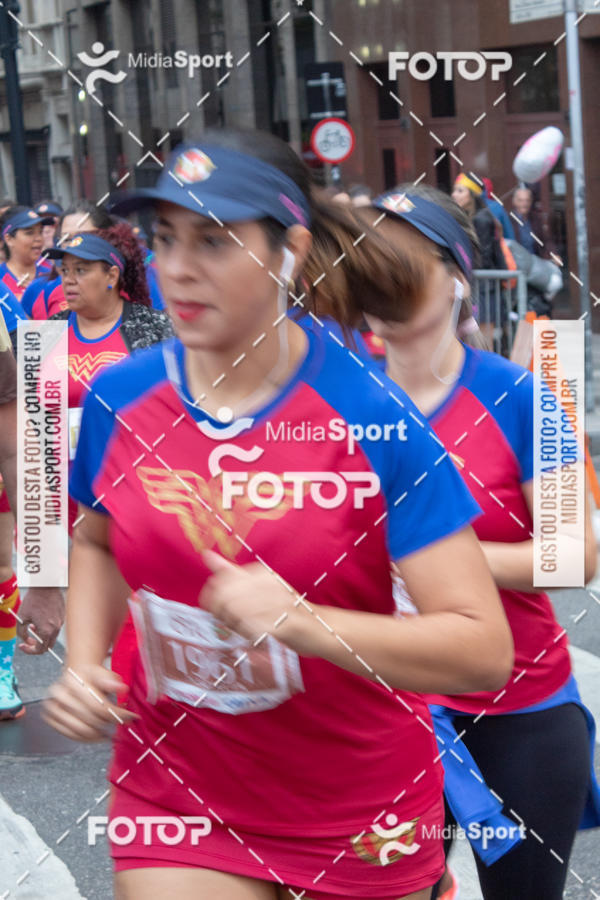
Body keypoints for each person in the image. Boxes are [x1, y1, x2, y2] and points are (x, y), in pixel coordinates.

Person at [43, 131, 513, 900]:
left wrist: (302, 622)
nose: (179, 269)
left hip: (359, 809)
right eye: (164, 239)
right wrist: (85, 660)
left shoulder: (372, 417)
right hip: (179, 799)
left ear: (288, 249)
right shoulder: (122, 398)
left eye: (215, 240)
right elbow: (95, 537)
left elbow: (482, 648)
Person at [360, 183, 599, 900]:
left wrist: (432, 558)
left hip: (518, 711)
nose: (385, 277)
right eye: (371, 262)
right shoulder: (331, 402)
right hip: (379, 712)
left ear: (459, 279)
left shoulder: (523, 396)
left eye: (406, 260)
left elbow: (575, 554)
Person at [21, 201, 115, 321]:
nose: (74, 246)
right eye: (67, 239)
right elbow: (34, 338)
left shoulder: (134, 292)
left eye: (84, 237)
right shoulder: (41, 289)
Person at [0, 206, 55, 301]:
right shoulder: (1, 279)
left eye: (40, 232)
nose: (39, 238)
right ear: (9, 239)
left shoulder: (52, 276)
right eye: (29, 233)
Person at [451, 175, 504, 271]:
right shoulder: (466, 217)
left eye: (460, 191)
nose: (454, 195)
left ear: (472, 194)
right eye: (454, 190)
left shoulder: (482, 219)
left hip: (485, 281)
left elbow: (484, 258)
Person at [511, 185, 559, 262]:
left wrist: (553, 254)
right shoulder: (509, 220)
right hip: (516, 263)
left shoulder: (535, 218)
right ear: (514, 202)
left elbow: (546, 240)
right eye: (521, 200)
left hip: (535, 262)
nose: (524, 204)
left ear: (531, 202)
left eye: (527, 200)